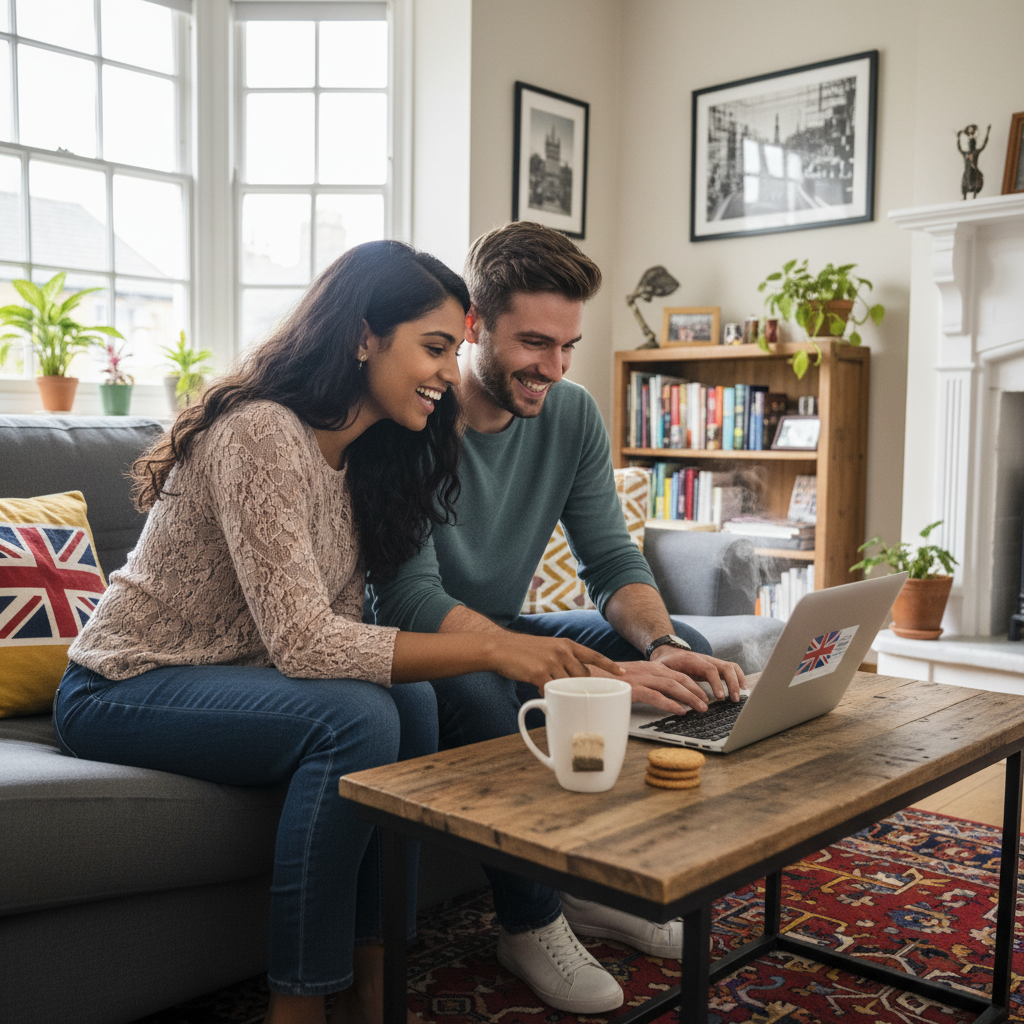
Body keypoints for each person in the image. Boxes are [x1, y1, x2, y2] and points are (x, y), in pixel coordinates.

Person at [54, 240, 621, 1024]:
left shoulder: (374, 454)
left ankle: (372, 987)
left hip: (238, 679)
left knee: (413, 705)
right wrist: (499, 646)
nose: (445, 373)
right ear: (363, 336)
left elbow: (359, 620)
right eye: (432, 349)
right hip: (124, 684)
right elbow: (306, 645)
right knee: (353, 715)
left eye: (453, 351)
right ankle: (299, 1008)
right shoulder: (262, 432)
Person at [372, 222, 746, 1014]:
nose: (554, 367)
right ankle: (530, 920)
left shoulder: (570, 414)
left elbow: (610, 561)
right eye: (534, 343)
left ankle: (598, 883)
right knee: (479, 688)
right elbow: (411, 599)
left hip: (500, 621)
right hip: (418, 642)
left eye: (569, 345)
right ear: (472, 324)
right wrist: (590, 670)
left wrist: (664, 644)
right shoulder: (414, 413)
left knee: (693, 655)